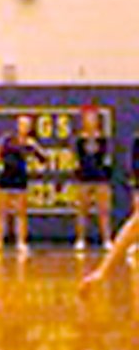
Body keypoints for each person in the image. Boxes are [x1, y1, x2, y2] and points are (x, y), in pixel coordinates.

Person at [0, 112, 49, 258]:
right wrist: (0, 164)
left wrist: (35, 147)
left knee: (21, 213)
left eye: (26, 124)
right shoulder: (8, 138)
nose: (23, 126)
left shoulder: (30, 143)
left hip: (20, 178)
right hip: (5, 178)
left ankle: (21, 242)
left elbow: (44, 158)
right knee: (1, 212)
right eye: (21, 123)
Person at [74, 104, 113, 253]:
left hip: (101, 178)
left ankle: (106, 239)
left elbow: (107, 158)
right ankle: (80, 239)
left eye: (93, 118)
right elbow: (77, 158)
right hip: (84, 178)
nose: (90, 121)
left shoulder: (103, 139)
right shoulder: (79, 140)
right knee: (82, 210)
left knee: (103, 210)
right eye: (87, 118)